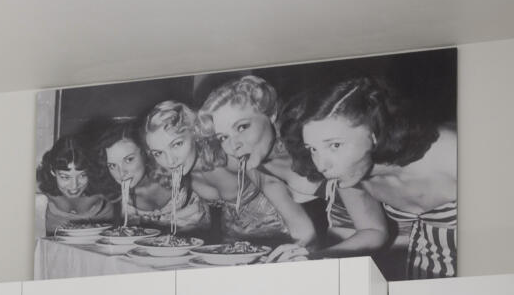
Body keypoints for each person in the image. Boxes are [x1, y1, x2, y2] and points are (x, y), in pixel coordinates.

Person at [295, 75, 459, 278]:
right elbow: (372, 231)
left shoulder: (451, 153)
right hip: (421, 279)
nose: (321, 165)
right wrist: (314, 260)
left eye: (335, 145)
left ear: (374, 132)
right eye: (312, 149)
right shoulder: (351, 175)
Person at [194, 74, 319, 251]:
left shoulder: (316, 143)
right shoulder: (256, 166)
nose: (233, 145)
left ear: (272, 113)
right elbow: (303, 232)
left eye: (242, 127)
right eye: (223, 137)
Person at [133, 99, 216, 237]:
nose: (170, 161)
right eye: (158, 153)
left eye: (176, 144)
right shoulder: (191, 175)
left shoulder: (227, 162)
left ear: (196, 132)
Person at [34, 128, 115, 234]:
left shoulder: (105, 189)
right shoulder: (40, 188)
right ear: (52, 171)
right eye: (65, 177)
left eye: (82, 175)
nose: (74, 186)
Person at [89, 121, 153, 230]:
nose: (121, 172)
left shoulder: (177, 182)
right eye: (112, 165)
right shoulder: (116, 197)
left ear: (145, 153)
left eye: (129, 160)